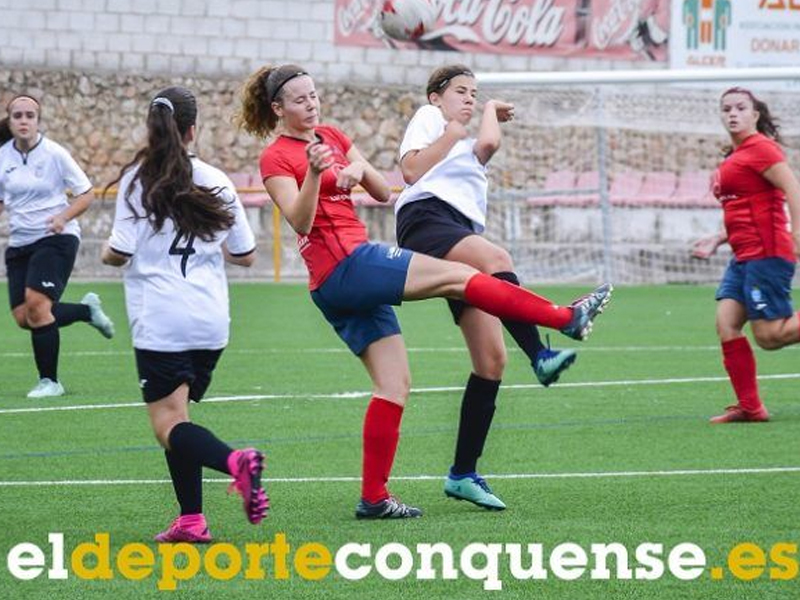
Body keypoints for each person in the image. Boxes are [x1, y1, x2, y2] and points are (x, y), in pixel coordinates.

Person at [237, 64, 612, 519]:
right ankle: (563, 319)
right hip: (347, 265)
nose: (311, 105)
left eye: (313, 95)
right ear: (278, 108)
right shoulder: (275, 157)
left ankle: (374, 498)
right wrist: (317, 174)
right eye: (300, 100)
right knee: (459, 277)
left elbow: (382, 191)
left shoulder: (331, 135)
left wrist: (357, 167)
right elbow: (299, 220)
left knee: (394, 384)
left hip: (343, 281)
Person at [395, 65, 579, 511]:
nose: (468, 99)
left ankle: (462, 474)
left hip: (455, 229)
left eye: (474, 94)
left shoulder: (466, 145)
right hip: (426, 218)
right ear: (436, 96)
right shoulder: (430, 118)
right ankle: (540, 354)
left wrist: (490, 110)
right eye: (460, 91)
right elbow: (411, 171)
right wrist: (452, 130)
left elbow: (489, 144)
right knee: (497, 260)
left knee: (491, 362)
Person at [102, 86, 267, 542]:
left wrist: (106, 254)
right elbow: (246, 255)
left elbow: (119, 252)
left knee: (167, 424)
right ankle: (191, 519)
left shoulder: (139, 180)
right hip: (210, 320)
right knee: (179, 417)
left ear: (152, 128)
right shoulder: (216, 179)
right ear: (193, 129)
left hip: (161, 319)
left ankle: (236, 462)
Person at [691, 87, 800, 424]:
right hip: (742, 257)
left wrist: (798, 234)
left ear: (755, 115)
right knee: (726, 324)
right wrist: (718, 239)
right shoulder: (736, 156)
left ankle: (751, 406)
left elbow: (793, 188)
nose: (732, 114)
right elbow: (747, 208)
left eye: (740, 108)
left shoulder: (762, 148)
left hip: (766, 253)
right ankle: (751, 407)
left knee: (770, 337)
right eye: (726, 109)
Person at [0, 94, 114, 399]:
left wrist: (63, 217)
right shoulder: (2, 158)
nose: (24, 121)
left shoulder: (54, 154)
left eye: (30, 115)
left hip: (56, 238)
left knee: (37, 306)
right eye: (18, 116)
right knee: (25, 317)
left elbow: (86, 194)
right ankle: (86, 311)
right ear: (9, 122)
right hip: (19, 243)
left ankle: (50, 382)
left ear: (38, 120)